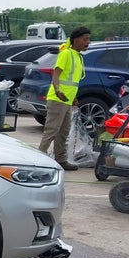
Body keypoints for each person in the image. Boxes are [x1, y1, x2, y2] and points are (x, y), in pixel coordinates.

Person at [38, 26, 92, 171]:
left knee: (63, 132)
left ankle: (60, 159)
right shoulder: (66, 53)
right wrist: (57, 90)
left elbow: (72, 80)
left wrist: (73, 98)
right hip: (58, 99)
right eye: (85, 39)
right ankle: (38, 158)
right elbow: (56, 74)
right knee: (52, 130)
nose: (88, 42)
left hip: (67, 100)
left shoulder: (78, 56)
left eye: (89, 39)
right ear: (76, 40)